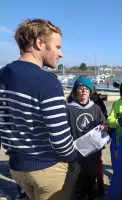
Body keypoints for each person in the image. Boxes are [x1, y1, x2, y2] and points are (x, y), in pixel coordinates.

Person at [0, 19, 77, 200]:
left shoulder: (2, 74)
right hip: (47, 168)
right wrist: (73, 158)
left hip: (17, 167)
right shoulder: (46, 82)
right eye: (57, 47)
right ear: (39, 42)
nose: (61, 54)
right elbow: (60, 140)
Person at [66, 77, 108, 200]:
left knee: (91, 181)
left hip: (92, 153)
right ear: (75, 91)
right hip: (75, 153)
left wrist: (104, 127)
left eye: (86, 88)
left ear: (90, 91)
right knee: (77, 184)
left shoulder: (96, 108)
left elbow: (105, 124)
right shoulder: (68, 109)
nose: (83, 90)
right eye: (80, 88)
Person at [107, 77, 122, 172]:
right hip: (118, 143)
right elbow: (110, 121)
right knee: (117, 170)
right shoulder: (118, 103)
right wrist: (121, 121)